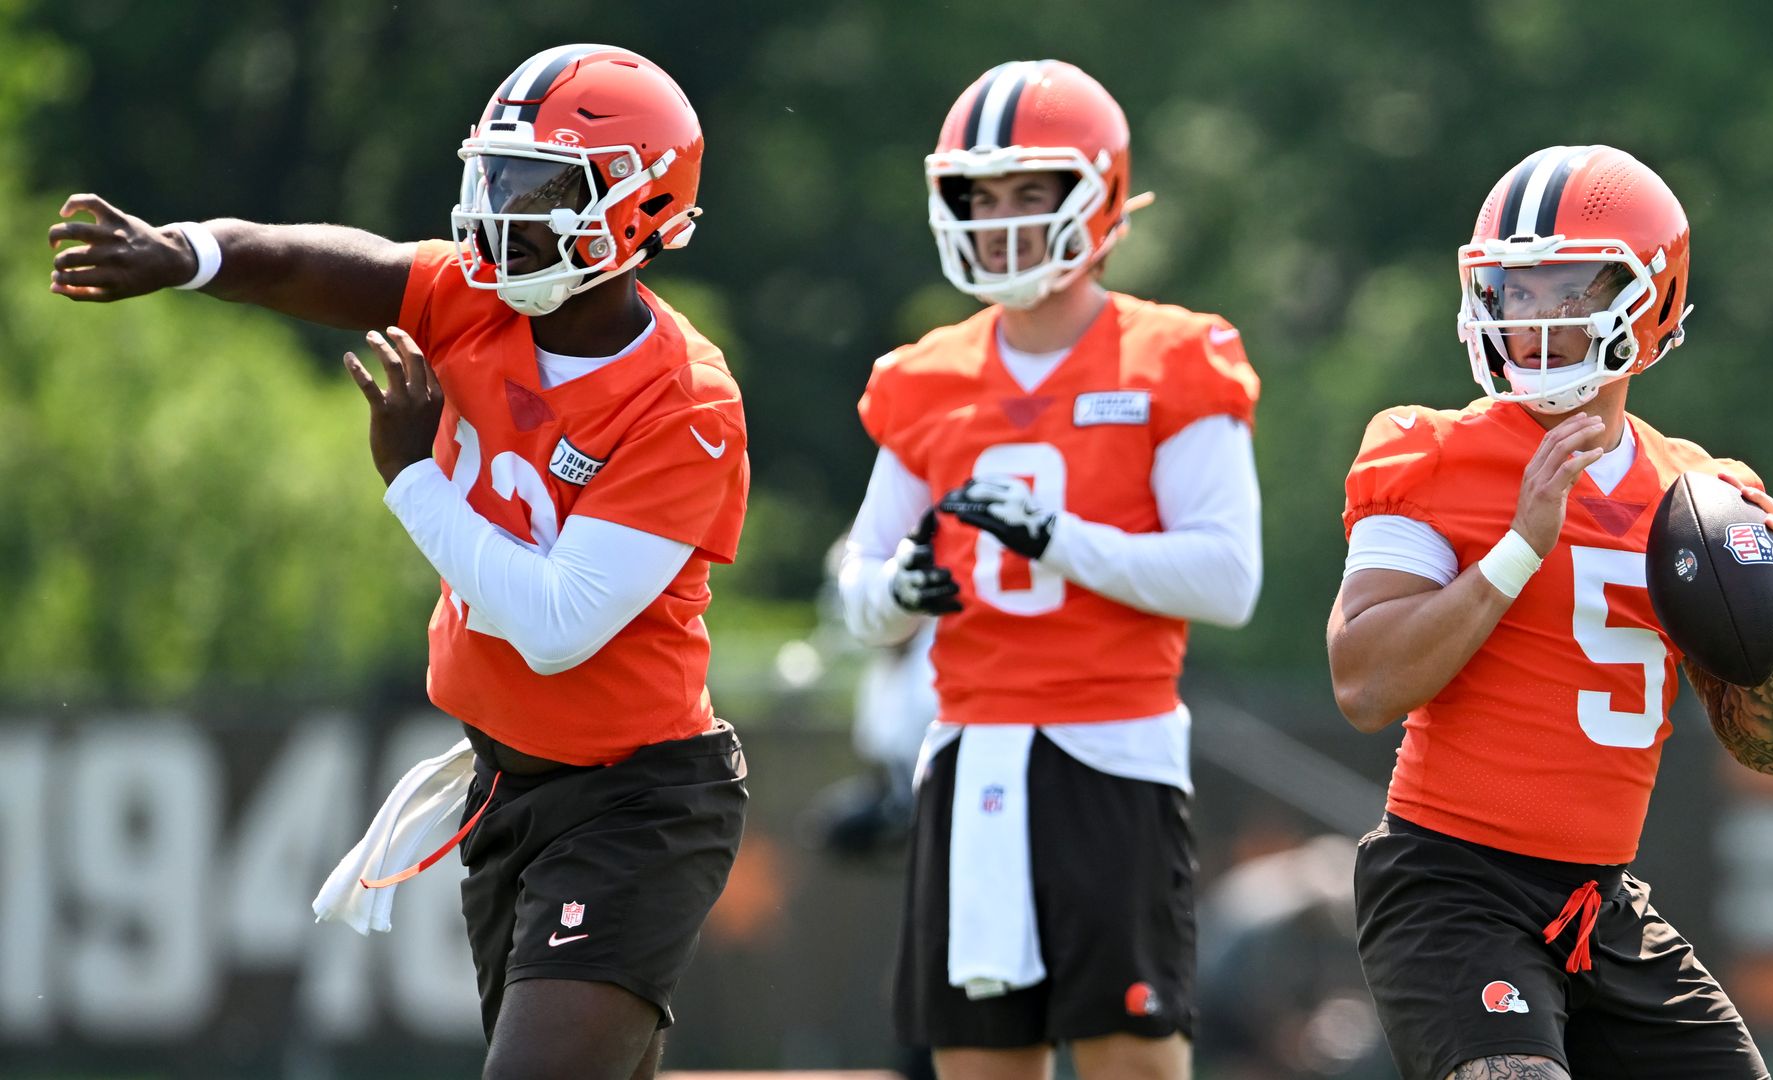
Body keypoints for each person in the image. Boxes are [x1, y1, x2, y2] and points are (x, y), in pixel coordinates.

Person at [49, 44, 749, 1080]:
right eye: (499, 175)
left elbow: (558, 628)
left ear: (642, 207)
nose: (505, 208)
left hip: (635, 804)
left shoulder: (683, 400)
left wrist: (411, 479)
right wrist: (186, 251)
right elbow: (312, 262)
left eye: (545, 186)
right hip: (509, 784)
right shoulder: (474, 295)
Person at [1326, 144, 1773, 1080]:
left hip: (1602, 904)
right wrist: (1519, 547)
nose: (1534, 317)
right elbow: (1364, 682)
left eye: (1567, 288)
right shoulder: (1429, 453)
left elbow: (1769, 746)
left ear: (1651, 299)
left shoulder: (1701, 495)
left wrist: (1766, 614)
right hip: (1452, 884)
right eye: (1515, 290)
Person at [839, 59, 1262, 1080]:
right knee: (980, 1066)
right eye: (982, 197)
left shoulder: (1174, 355)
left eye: (1035, 191)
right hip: (968, 753)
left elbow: (1227, 579)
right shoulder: (922, 377)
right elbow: (861, 585)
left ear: (1100, 196)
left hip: (1110, 750)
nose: (1005, 220)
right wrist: (896, 593)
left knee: (1132, 1059)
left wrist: (1057, 538)